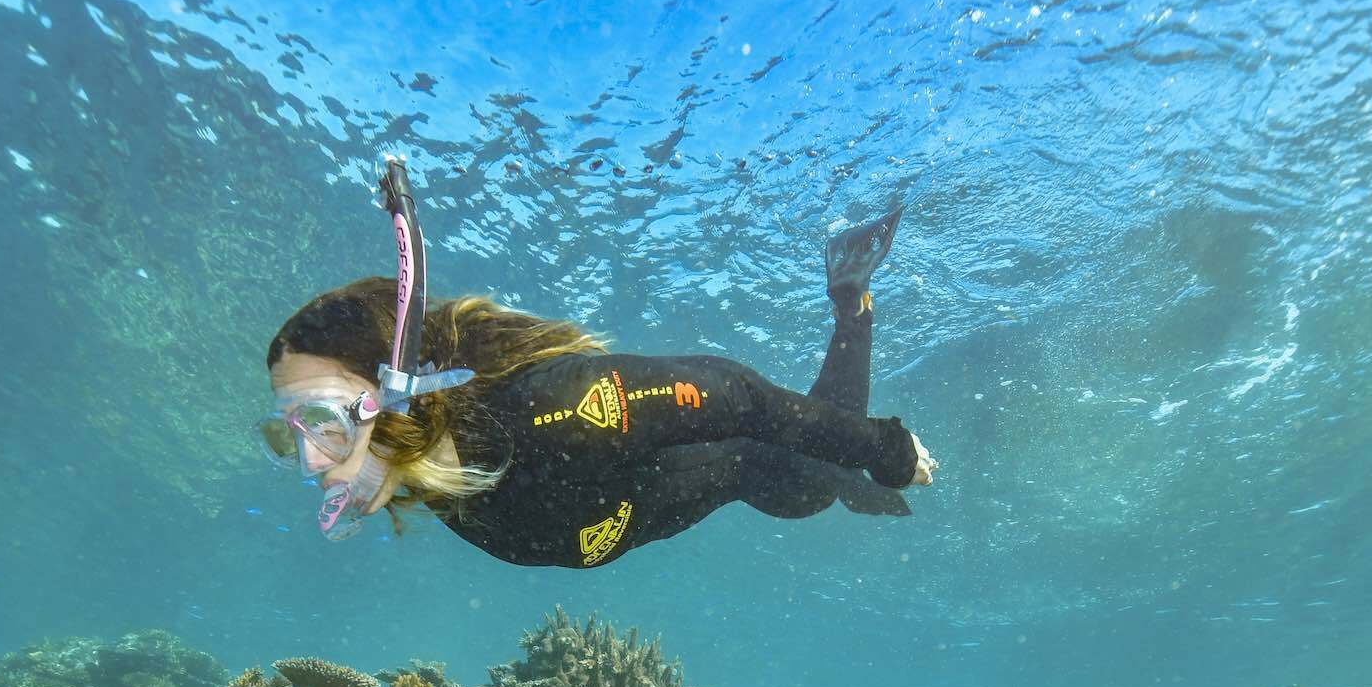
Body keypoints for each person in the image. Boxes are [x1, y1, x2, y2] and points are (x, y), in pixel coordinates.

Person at [259, 201, 935, 569]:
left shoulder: (551, 412)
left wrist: (880, 447)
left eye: (320, 417)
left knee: (808, 488)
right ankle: (849, 360)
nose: (311, 459)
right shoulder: (432, 474)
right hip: (702, 482)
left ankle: (852, 304)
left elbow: (738, 395)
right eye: (288, 431)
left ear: (394, 386)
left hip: (739, 452)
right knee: (809, 485)